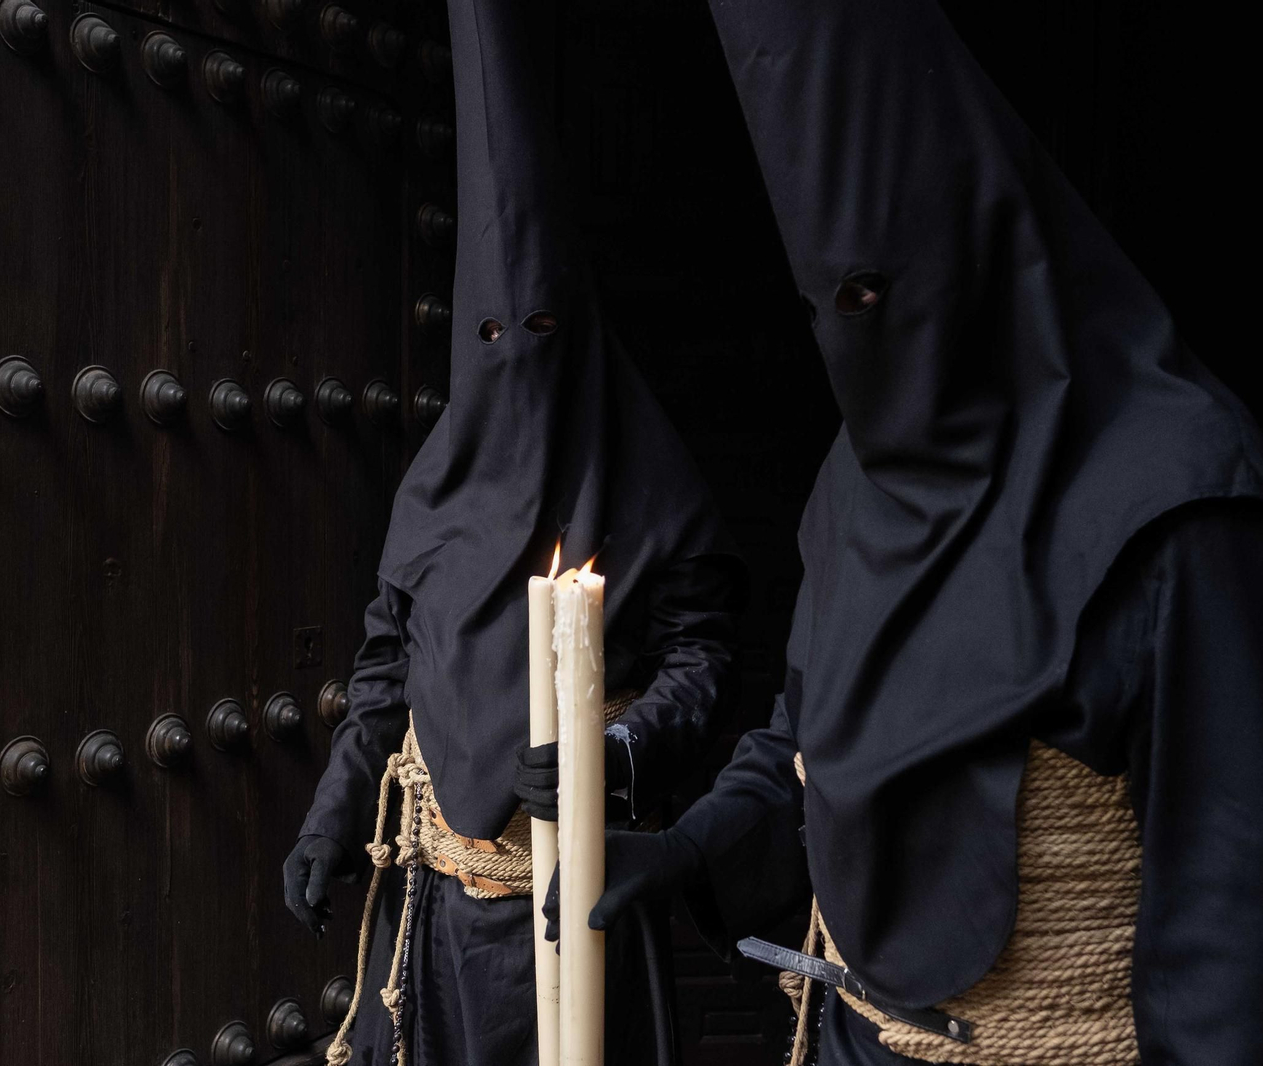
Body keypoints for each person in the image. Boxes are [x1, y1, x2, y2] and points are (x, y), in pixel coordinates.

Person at [548, 0, 1263, 1062]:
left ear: (986, 245)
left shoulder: (1186, 514)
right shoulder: (861, 474)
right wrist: (692, 846)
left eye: (880, 293)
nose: (864, 337)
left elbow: (1243, 945)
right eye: (828, 304)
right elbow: (809, 732)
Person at [282, 0, 743, 1062]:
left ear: (580, 332)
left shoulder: (646, 481)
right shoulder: (435, 487)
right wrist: (329, 817)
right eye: (495, 337)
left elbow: (701, 656)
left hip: (582, 897)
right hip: (440, 912)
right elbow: (385, 675)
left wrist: (615, 748)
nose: (518, 358)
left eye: (540, 333)